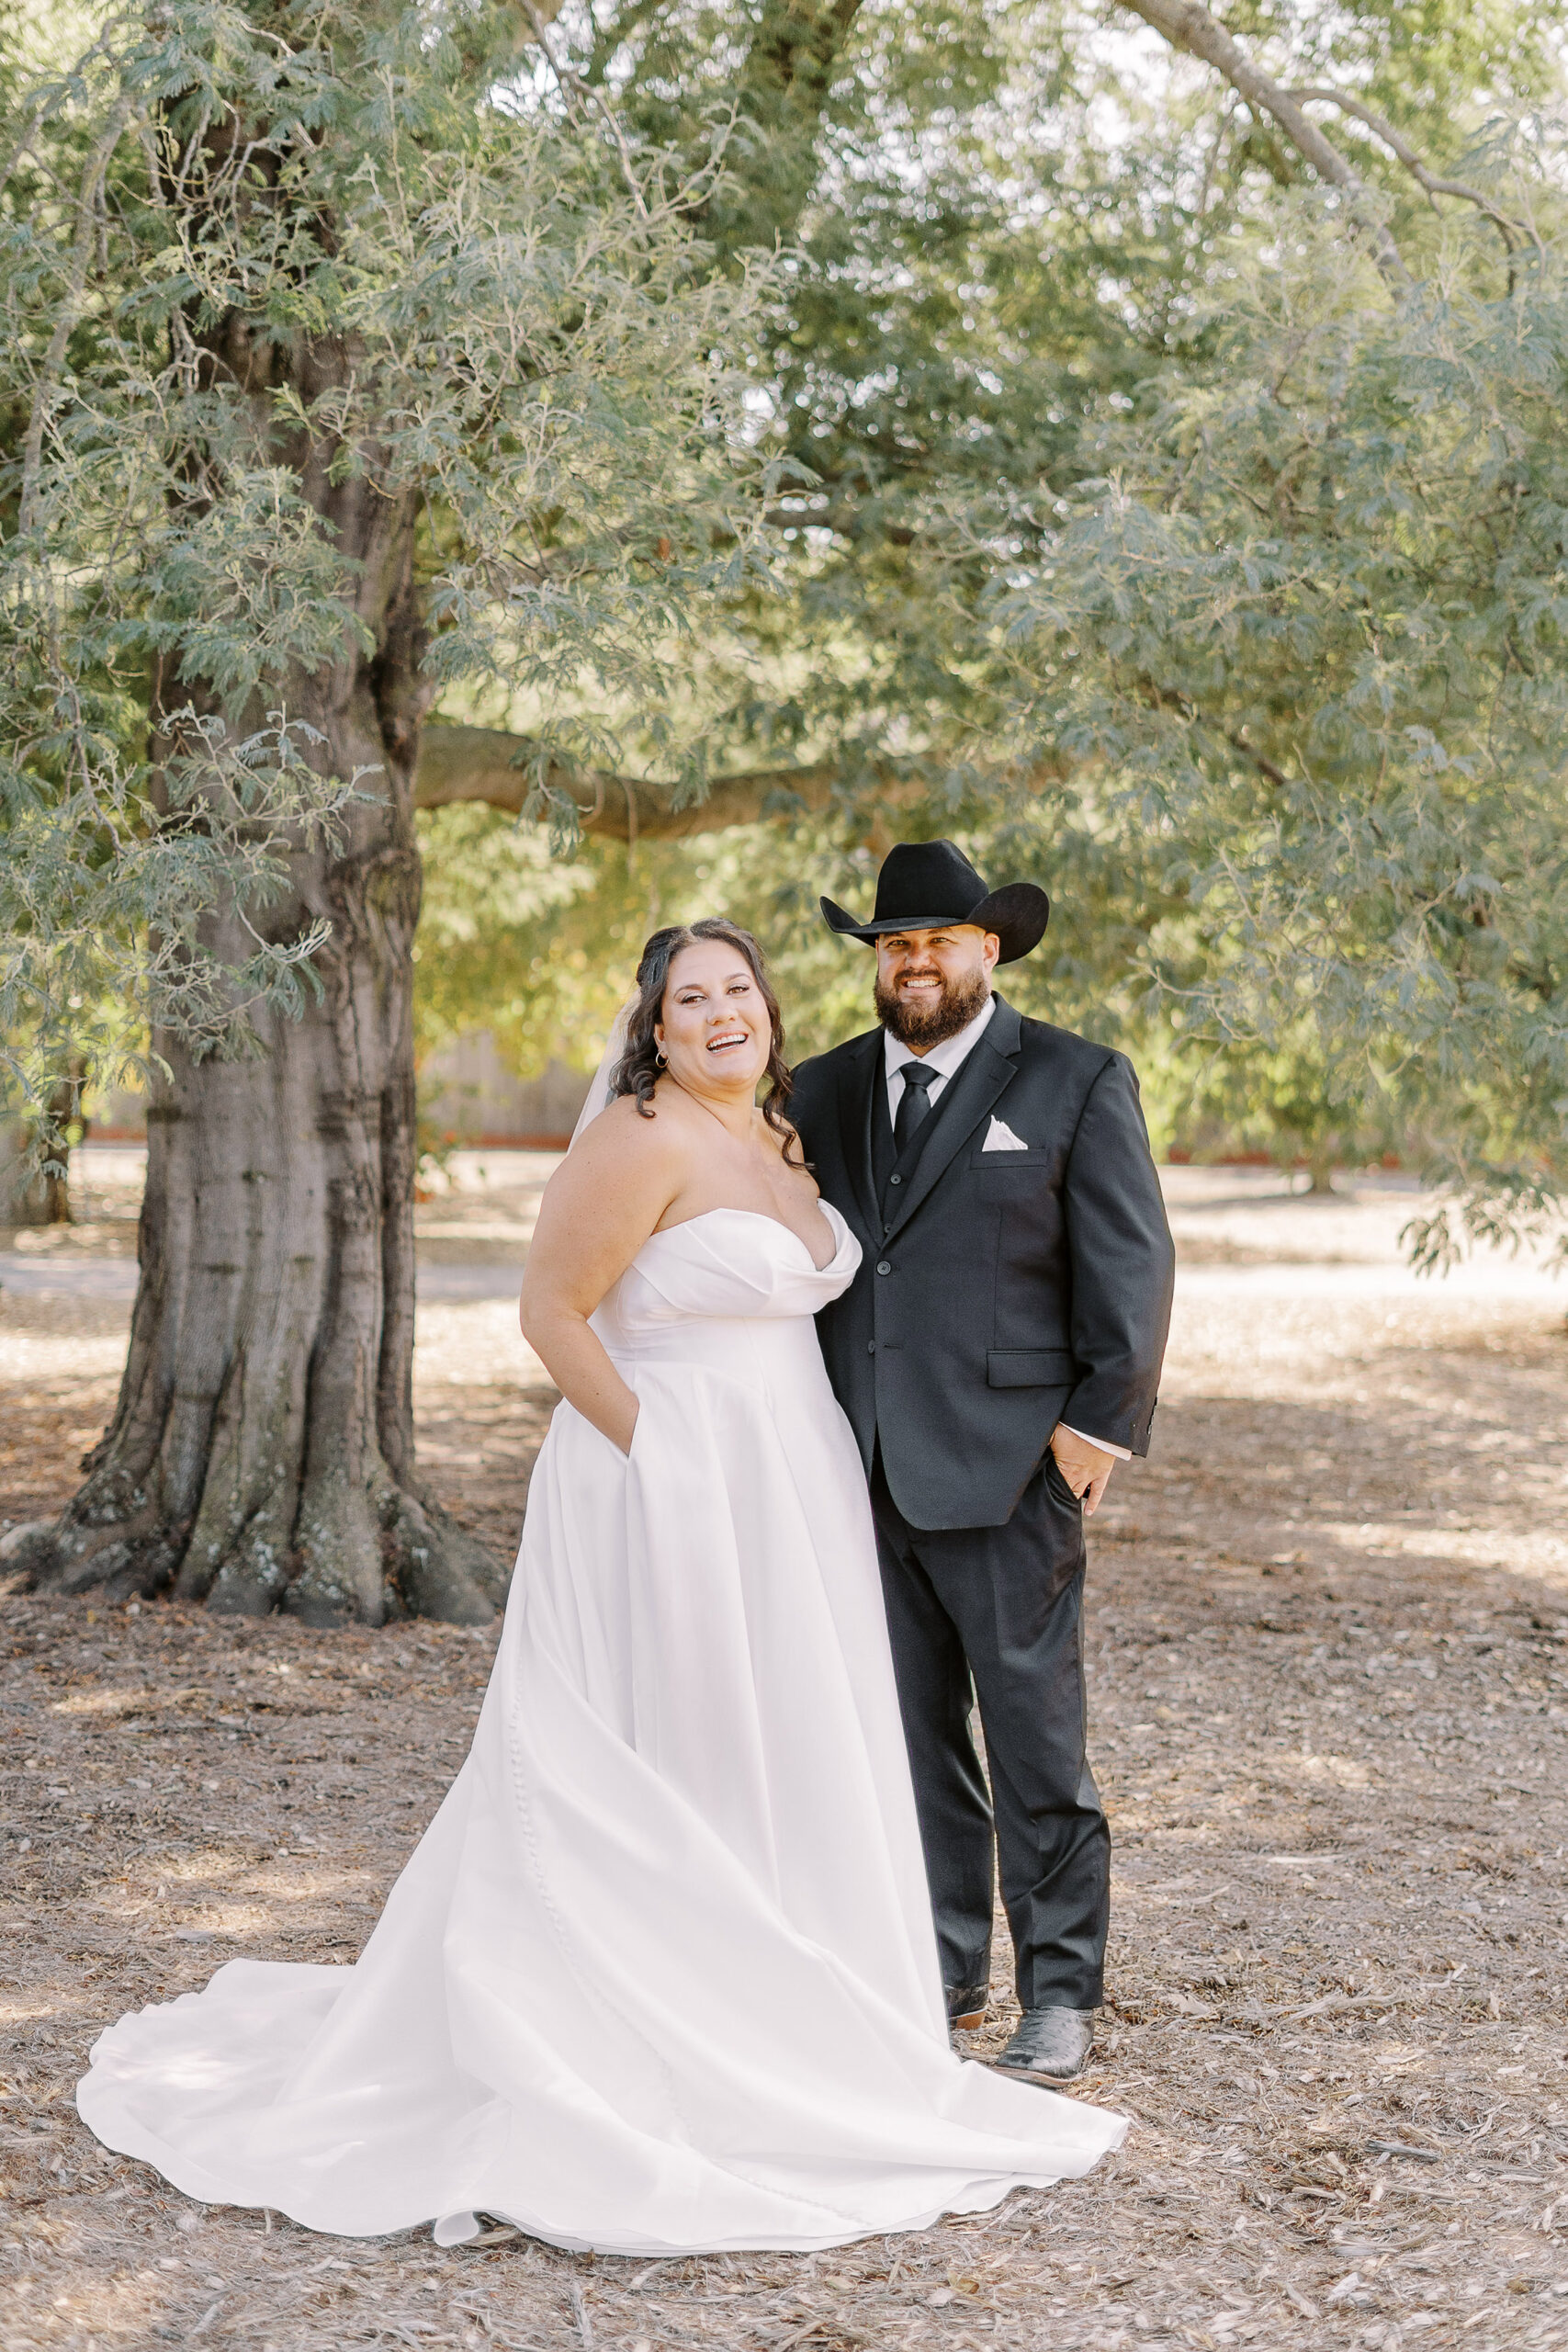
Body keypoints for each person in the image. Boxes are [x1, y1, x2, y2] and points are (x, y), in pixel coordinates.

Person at [76, 917, 1124, 2254]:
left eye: (738, 989)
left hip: (791, 1488)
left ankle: (798, 1999)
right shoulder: (638, 1136)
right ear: (656, 1022)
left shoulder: (786, 1131)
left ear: (769, 1007)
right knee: (672, 1744)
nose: (720, 1012)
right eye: (693, 997)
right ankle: (639, 2028)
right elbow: (551, 1314)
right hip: (667, 1478)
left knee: (785, 1739)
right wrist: (661, 1455)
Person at [790, 842, 1175, 2086]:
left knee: (1035, 1744)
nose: (915, 961)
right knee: (908, 1741)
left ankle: (1058, 1991)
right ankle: (944, 1966)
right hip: (857, 1470)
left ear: (987, 951)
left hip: (1015, 1472)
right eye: (895, 944)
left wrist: (1092, 1432)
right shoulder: (823, 1091)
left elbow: (1132, 1271)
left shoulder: (1074, 1079)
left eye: (939, 941)